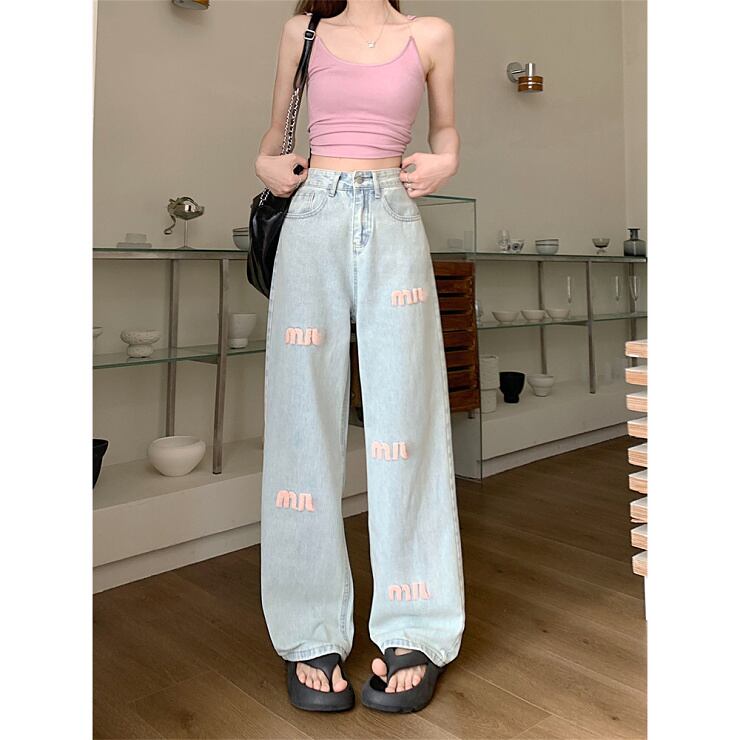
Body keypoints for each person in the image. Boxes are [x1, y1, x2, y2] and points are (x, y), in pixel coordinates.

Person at [255, 0, 464, 713]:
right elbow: (273, 134)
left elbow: (445, 129)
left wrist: (446, 157)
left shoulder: (429, 35)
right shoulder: (304, 31)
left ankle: (417, 624)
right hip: (313, 214)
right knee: (300, 420)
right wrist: (267, 162)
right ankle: (308, 628)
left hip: (394, 213)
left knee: (408, 421)